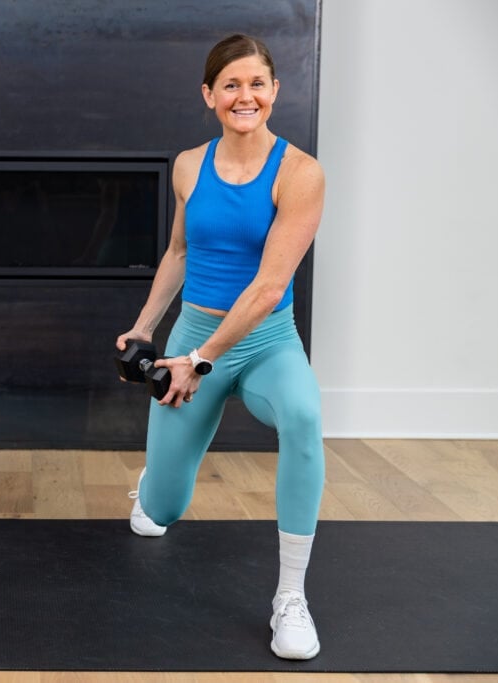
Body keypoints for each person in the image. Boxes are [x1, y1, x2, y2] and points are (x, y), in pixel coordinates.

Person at [116, 34, 326, 660]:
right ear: (209, 95)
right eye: (231, 85)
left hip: (265, 343)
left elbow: (267, 288)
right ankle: (154, 482)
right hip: (189, 339)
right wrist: (145, 328)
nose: (245, 96)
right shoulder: (188, 165)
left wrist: (201, 360)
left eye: (257, 83)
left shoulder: (301, 173)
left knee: (305, 417)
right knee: (161, 509)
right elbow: (179, 253)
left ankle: (291, 596)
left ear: (275, 92)